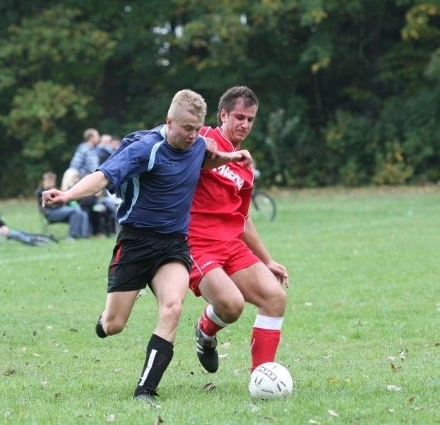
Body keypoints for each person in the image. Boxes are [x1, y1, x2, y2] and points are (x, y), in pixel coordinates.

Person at [42, 89, 252, 404]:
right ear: (169, 122)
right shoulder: (146, 150)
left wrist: (229, 157)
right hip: (136, 242)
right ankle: (105, 319)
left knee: (173, 307)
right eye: (186, 129)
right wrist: (67, 195)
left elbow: (205, 160)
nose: (193, 136)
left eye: (198, 129)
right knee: (114, 325)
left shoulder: (196, 144)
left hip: (173, 245)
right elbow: (101, 177)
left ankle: (146, 389)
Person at [188, 86, 289, 375]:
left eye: (250, 119)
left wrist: (268, 260)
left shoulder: (244, 164)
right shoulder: (204, 137)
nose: (245, 124)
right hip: (196, 244)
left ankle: (262, 375)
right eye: (239, 117)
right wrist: (207, 148)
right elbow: (193, 150)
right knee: (231, 306)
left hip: (231, 245)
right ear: (223, 115)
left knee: (275, 297)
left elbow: (243, 218)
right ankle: (205, 331)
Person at [36, 171, 90, 241]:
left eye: (52, 181)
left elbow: (63, 202)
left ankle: (85, 235)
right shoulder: (41, 192)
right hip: (51, 213)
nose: (50, 183)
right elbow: (45, 205)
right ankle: (72, 236)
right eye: (48, 181)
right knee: (75, 211)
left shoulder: (54, 190)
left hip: (61, 210)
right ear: (44, 181)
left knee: (83, 213)